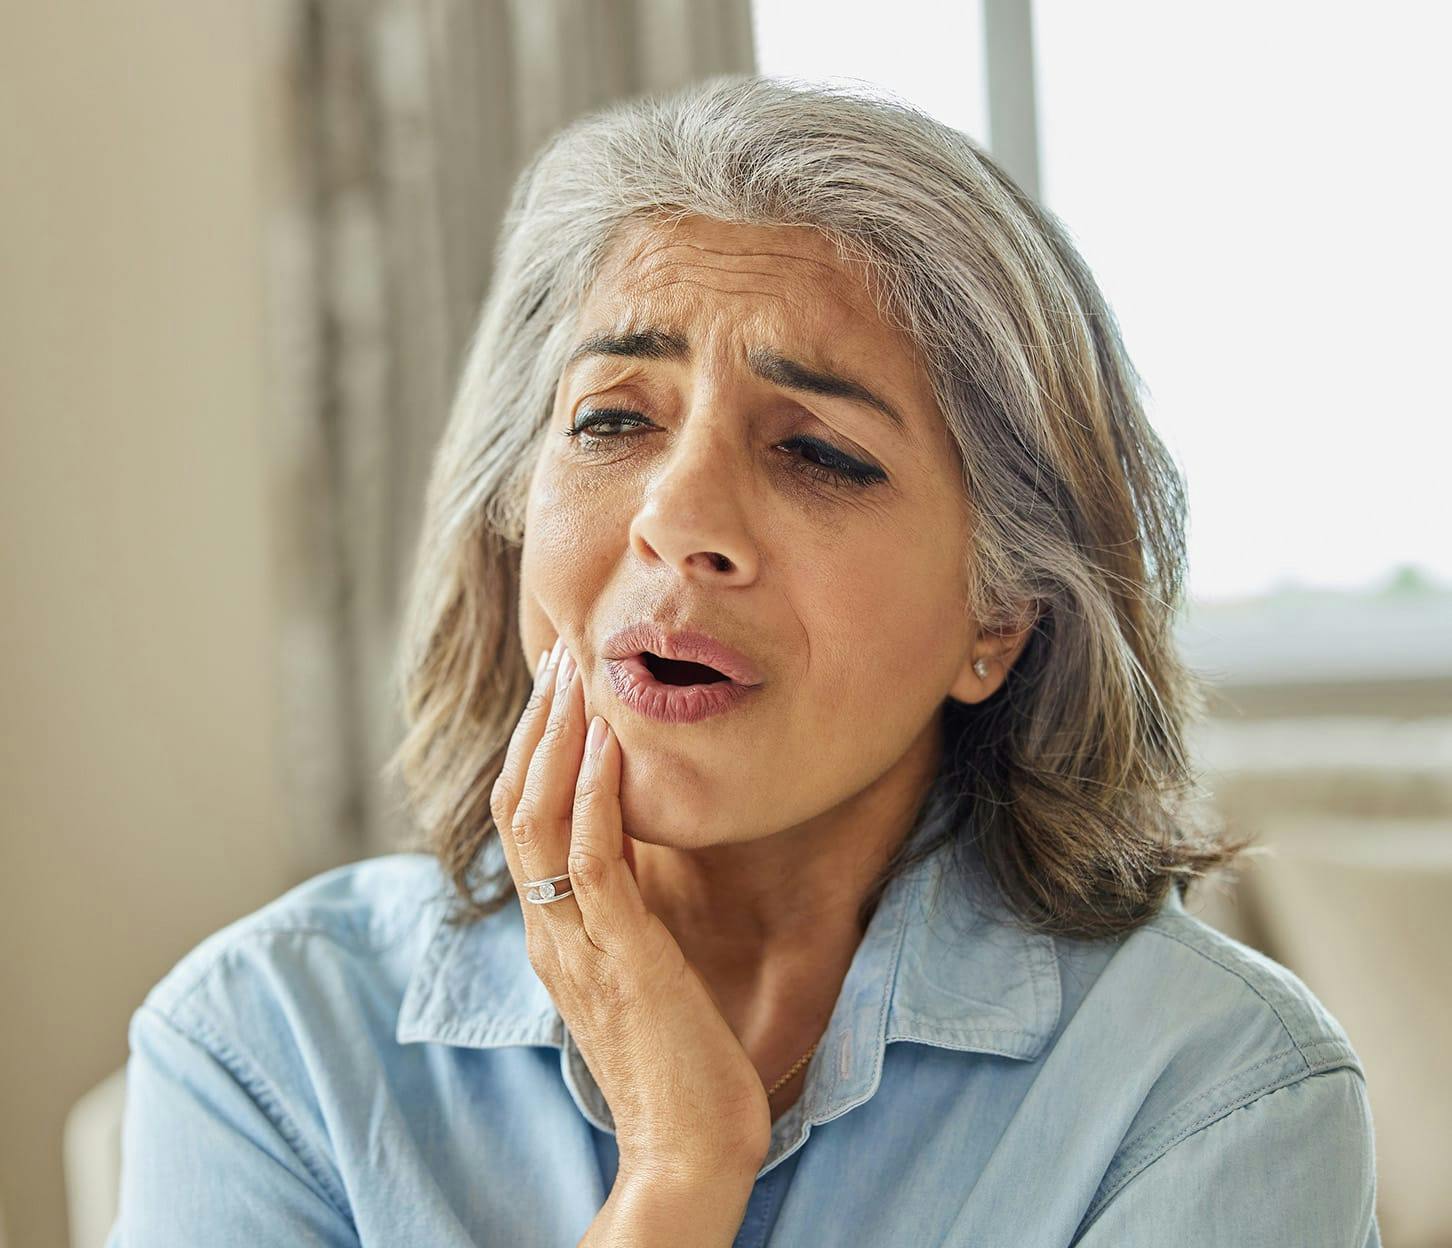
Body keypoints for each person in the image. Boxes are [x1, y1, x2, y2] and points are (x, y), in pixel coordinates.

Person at [106, 75, 1379, 1246]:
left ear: (1000, 619)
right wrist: (677, 1171)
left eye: (818, 452)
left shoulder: (1218, 1091)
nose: (679, 520)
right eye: (611, 420)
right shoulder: (264, 1046)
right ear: (510, 522)